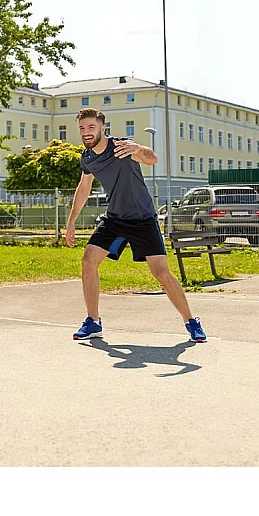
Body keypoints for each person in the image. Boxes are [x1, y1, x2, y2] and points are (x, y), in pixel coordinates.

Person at [63, 108, 207, 344]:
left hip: (142, 218)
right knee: (89, 260)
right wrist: (70, 223)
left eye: (91, 127)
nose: (86, 132)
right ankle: (93, 321)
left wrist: (137, 149)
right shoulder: (87, 158)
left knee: (160, 272)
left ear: (102, 128)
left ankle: (191, 321)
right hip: (115, 218)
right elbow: (84, 187)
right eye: (82, 128)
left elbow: (152, 158)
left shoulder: (121, 147)